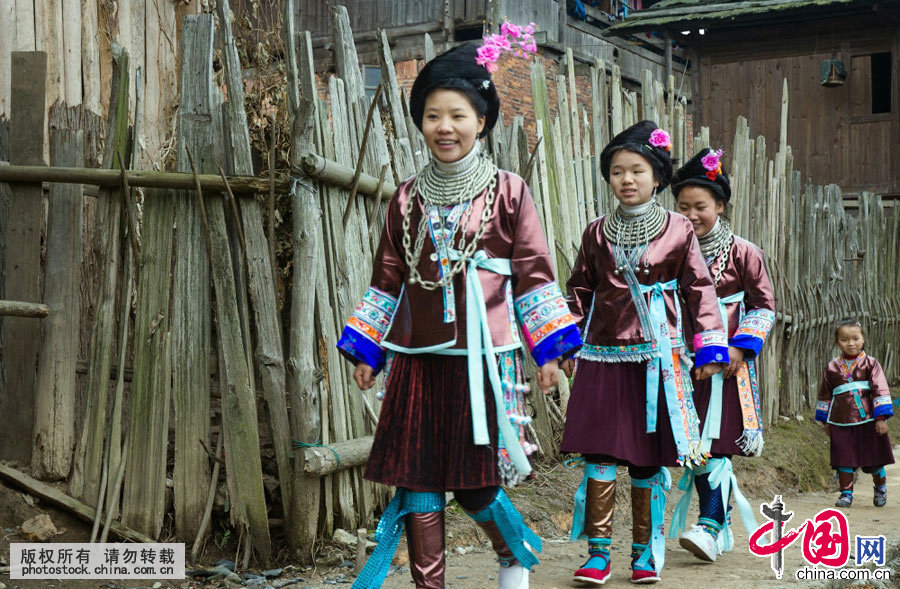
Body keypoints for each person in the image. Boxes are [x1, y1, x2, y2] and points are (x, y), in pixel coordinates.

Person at [337, 42, 582, 589]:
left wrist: (548, 352)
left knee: (474, 486)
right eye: (432, 116)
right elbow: (387, 279)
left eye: (457, 116)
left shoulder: (509, 191)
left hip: (483, 362)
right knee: (419, 486)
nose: (444, 127)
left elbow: (536, 274)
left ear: (482, 120)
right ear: (420, 122)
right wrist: (368, 350)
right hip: (417, 362)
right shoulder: (404, 199)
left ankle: (514, 551)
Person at [561, 121, 728, 585]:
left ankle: (644, 552)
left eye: (637, 170)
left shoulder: (678, 229)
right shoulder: (596, 232)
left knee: (644, 457)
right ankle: (598, 554)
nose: (626, 180)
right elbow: (578, 289)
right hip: (602, 357)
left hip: (657, 359)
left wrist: (710, 345)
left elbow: (700, 288)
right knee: (599, 454)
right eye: (617, 172)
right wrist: (565, 345)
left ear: (657, 177)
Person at [667, 148, 776, 563]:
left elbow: (764, 306)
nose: (692, 215)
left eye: (701, 207)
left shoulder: (745, 252)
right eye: (683, 207)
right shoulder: (672, 249)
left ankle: (711, 525)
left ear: (720, 205)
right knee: (694, 442)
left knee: (718, 441)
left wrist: (739, 347)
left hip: (729, 362)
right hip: (684, 360)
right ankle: (716, 521)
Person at [815, 317, 894, 508]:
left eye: (855, 338)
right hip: (840, 421)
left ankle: (880, 487)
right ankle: (846, 494)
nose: (851, 343)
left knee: (874, 459)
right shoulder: (832, 367)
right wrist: (826, 420)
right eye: (845, 339)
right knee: (844, 458)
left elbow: (880, 389)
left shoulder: (871, 364)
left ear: (863, 339)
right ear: (837, 342)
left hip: (868, 420)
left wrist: (881, 418)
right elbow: (825, 393)